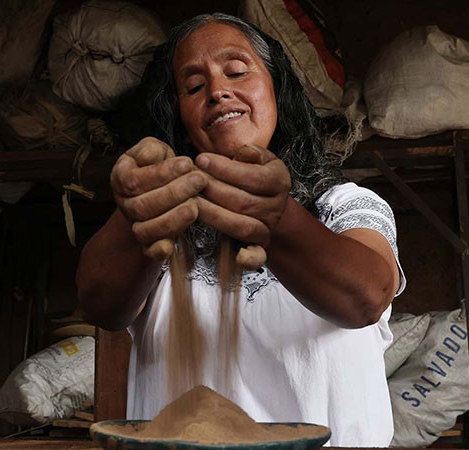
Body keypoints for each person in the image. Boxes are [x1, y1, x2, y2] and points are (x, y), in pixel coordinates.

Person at [76, 13, 405, 447]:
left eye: (236, 71)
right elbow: (100, 306)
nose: (217, 90)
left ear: (277, 90)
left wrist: (278, 220)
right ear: (181, 116)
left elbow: (365, 296)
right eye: (194, 87)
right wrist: (134, 218)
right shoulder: (166, 220)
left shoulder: (343, 206)